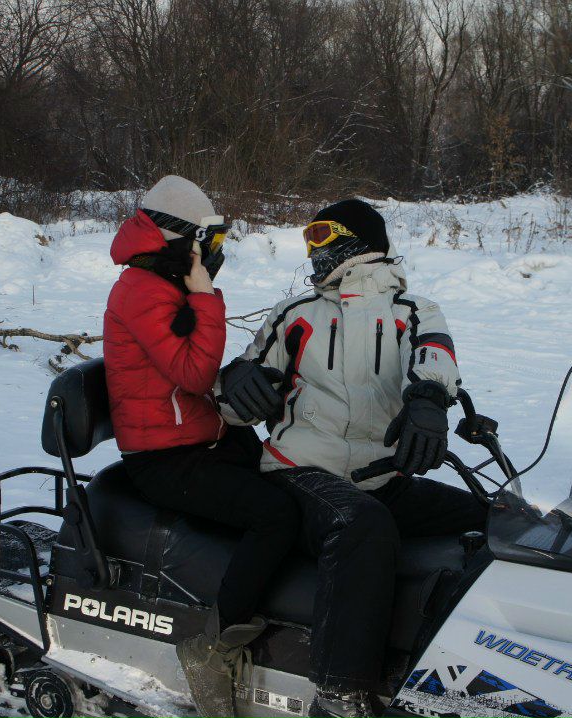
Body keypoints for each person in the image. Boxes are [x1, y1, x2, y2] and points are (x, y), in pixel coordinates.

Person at [217, 199, 488, 718]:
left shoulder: (414, 312)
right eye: (308, 237)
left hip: (380, 473)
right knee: (362, 524)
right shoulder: (296, 315)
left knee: (491, 516)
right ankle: (340, 698)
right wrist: (234, 379)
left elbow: (436, 357)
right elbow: (235, 403)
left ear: (361, 239)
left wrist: (429, 402)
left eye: (323, 234)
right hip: (298, 471)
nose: (313, 248)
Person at [103, 175, 301, 718]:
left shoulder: (160, 285)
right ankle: (218, 648)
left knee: (294, 478)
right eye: (208, 245)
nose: (215, 256)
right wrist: (205, 297)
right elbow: (193, 373)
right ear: (181, 243)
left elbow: (198, 373)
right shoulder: (140, 290)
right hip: (163, 457)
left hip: (202, 436)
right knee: (275, 514)